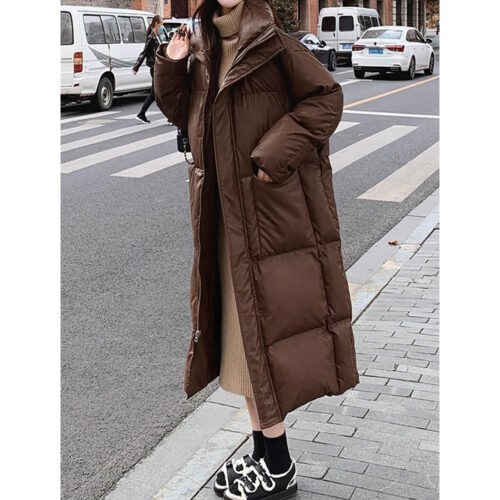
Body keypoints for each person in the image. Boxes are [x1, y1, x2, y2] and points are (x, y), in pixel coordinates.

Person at [154, 1, 359, 498]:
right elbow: (185, 116)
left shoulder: (274, 44)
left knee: (255, 346)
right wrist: (171, 66)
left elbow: (327, 98)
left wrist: (273, 155)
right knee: (240, 344)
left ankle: (280, 466)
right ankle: (264, 456)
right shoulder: (202, 47)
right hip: (223, 221)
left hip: (265, 219)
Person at [132, 15, 163, 124]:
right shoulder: (151, 37)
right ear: (156, 24)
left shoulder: (156, 36)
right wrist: (136, 67)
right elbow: (144, 52)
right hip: (154, 68)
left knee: (156, 93)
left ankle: (142, 114)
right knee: (156, 93)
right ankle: (141, 114)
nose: (162, 27)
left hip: (157, 67)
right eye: (161, 24)